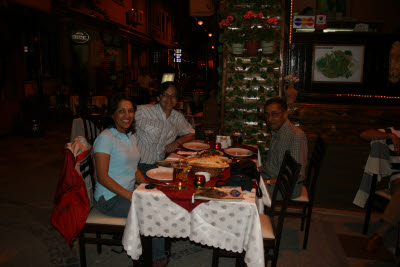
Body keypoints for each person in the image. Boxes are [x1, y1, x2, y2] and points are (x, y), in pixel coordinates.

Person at [135, 81, 195, 266]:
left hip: (161, 165)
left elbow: (191, 132)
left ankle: (169, 232)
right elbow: (122, 123)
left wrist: (177, 143)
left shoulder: (177, 117)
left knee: (186, 181)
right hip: (140, 166)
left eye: (173, 96)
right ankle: (157, 254)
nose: (170, 99)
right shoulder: (142, 111)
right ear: (158, 97)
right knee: (159, 202)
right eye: (166, 95)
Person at [93, 95, 145, 217]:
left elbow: (133, 167)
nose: (127, 115)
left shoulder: (130, 136)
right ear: (113, 114)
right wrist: (131, 196)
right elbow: (102, 177)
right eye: (121, 111)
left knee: (160, 203)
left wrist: (146, 184)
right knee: (150, 213)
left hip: (127, 192)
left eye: (130, 111)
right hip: (109, 199)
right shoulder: (106, 138)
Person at [360, 127, 400, 252]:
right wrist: (389, 136)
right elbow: (365, 134)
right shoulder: (394, 131)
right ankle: (381, 234)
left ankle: (380, 234)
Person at [261, 97, 308, 198]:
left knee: (249, 191)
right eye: (267, 115)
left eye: (274, 114)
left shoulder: (296, 135)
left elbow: (296, 174)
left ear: (285, 114)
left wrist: (267, 182)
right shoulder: (277, 131)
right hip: (271, 178)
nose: (269, 119)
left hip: (287, 187)